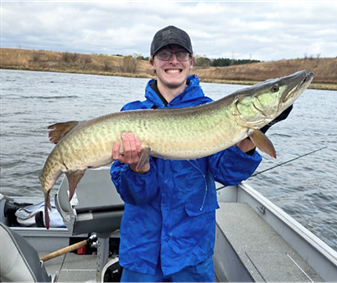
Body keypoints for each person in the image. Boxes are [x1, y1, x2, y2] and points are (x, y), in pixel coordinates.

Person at [110, 25, 292, 282]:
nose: (173, 61)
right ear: (152, 63)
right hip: (142, 251)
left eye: (181, 55)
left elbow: (227, 173)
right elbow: (133, 195)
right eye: (164, 54)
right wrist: (137, 170)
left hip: (192, 250)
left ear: (191, 62)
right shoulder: (130, 115)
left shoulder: (212, 110)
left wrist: (251, 138)